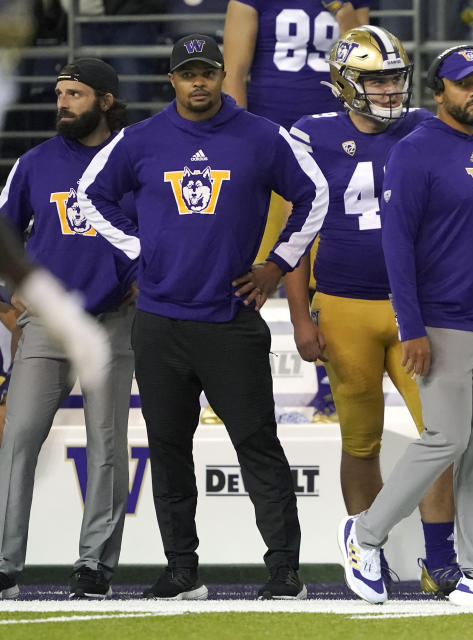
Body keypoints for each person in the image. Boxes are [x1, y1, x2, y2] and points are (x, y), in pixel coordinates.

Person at [76, 33, 329, 601]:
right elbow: (90, 193)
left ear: (221, 76)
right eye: (188, 74)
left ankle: (285, 571)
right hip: (161, 321)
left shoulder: (262, 136)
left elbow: (315, 193)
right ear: (172, 80)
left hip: (231, 317)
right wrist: (139, 249)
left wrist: (278, 264)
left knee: (257, 442)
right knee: (167, 445)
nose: (199, 83)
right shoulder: (142, 139)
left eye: (208, 73)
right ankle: (181, 569)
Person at [337, 45, 473, 608]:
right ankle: (366, 533)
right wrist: (412, 327)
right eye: (463, 84)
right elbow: (396, 247)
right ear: (438, 93)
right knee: (446, 439)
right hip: (443, 324)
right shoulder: (414, 152)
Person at [285, 25, 460, 598]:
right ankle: (369, 554)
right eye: (375, 79)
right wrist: (301, 317)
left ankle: (441, 560)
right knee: (360, 442)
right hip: (343, 306)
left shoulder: (427, 130)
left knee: (442, 436)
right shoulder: (312, 136)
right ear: (344, 82)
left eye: (393, 78)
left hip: (420, 309)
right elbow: (295, 232)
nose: (388, 89)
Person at [0, 59, 130, 601]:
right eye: (59, 93)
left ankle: (93, 565)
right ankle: (5, 562)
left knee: (106, 443)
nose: (62, 103)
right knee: (19, 436)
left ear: (104, 100)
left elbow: (166, 226)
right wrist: (7, 301)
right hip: (49, 322)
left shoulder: (133, 157)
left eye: (75, 94)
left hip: (115, 317)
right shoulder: (34, 163)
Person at [221, 0, 370, 424]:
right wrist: (241, 141)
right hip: (269, 142)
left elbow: (365, 62)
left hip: (330, 145)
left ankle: (331, 388)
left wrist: (343, 9)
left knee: (327, 270)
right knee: (244, 269)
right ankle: (228, 390)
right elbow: (235, 70)